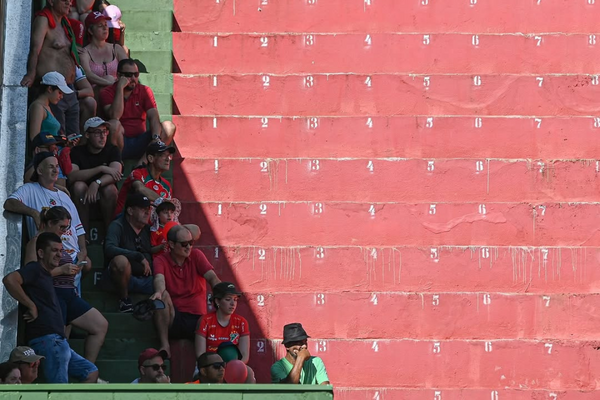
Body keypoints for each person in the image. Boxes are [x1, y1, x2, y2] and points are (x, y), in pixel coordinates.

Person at [2, 233, 98, 383]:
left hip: (58, 341)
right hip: (48, 339)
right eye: (54, 250)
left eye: (61, 250)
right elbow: (9, 280)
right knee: (59, 388)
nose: (59, 254)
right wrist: (31, 305)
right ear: (40, 253)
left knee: (91, 372)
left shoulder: (45, 274)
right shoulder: (34, 269)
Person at [24, 206, 108, 363]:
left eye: (67, 227)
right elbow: (30, 276)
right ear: (49, 223)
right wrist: (61, 270)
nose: (65, 231)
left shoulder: (59, 243)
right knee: (59, 342)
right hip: (53, 296)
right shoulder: (36, 243)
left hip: (69, 293)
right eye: (61, 227)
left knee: (100, 325)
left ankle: (88, 369)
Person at [4, 152, 91, 274]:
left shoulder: (64, 196)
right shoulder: (30, 189)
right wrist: (34, 213)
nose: (56, 170)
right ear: (40, 170)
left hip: (73, 258)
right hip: (50, 257)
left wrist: (83, 251)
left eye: (56, 166)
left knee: (87, 265)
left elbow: (78, 228)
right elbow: (9, 203)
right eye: (51, 167)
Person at [151, 225, 221, 357]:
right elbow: (159, 279)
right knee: (163, 295)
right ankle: (165, 345)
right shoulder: (160, 260)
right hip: (174, 317)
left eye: (191, 243)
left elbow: (212, 278)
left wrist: (222, 296)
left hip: (197, 318)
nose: (188, 247)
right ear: (171, 244)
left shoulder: (196, 255)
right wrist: (159, 292)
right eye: (184, 244)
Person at [21, 0, 81, 136]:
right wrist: (30, 74)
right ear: (51, 1)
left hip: (69, 88)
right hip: (52, 89)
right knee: (58, 137)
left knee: (73, 138)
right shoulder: (43, 20)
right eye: (64, 0)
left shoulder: (65, 23)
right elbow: (35, 49)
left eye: (70, 1)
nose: (69, 3)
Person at [100, 59, 176, 159]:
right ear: (118, 76)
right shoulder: (107, 92)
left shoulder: (144, 90)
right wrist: (119, 89)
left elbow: (153, 117)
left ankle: (142, 165)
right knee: (114, 124)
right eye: (128, 75)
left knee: (168, 127)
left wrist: (156, 138)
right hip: (120, 141)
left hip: (141, 140)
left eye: (136, 74)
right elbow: (115, 116)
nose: (133, 78)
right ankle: (117, 163)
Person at [69, 117, 122, 232]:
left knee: (110, 189)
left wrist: (97, 183)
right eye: (98, 133)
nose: (103, 136)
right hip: (83, 198)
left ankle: (110, 233)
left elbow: (116, 173)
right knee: (78, 186)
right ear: (87, 135)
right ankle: (83, 234)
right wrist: (100, 168)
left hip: (106, 198)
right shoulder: (77, 152)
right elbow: (72, 176)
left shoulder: (112, 150)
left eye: (104, 132)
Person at [105, 193, 154, 312]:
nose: (147, 212)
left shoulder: (150, 228)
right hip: (124, 280)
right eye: (143, 209)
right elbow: (109, 248)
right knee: (120, 261)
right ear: (130, 211)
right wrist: (137, 256)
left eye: (148, 209)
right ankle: (124, 300)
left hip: (149, 280)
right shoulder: (117, 225)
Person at [114, 141, 175, 217]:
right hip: (126, 222)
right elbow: (140, 189)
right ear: (151, 158)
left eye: (169, 155)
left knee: (192, 227)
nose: (168, 159)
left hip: (152, 225)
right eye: (163, 155)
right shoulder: (138, 173)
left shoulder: (167, 185)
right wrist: (162, 201)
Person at [195, 282, 249, 363]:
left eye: (235, 299)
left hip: (233, 365)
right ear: (217, 301)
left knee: (249, 373)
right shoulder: (205, 321)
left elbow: (244, 356)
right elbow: (200, 354)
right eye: (228, 299)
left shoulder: (241, 322)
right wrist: (217, 367)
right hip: (209, 366)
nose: (232, 303)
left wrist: (233, 367)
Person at [80, 12, 127, 92]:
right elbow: (87, 74)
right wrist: (108, 82)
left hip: (117, 91)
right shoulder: (85, 52)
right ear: (91, 31)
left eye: (106, 24)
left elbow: (127, 69)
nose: (105, 28)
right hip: (97, 94)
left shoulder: (116, 48)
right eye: (100, 26)